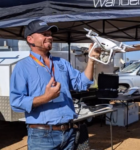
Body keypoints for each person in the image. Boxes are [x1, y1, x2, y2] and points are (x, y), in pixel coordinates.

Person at [10, 20, 101, 150]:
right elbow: (16, 102)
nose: (50, 37)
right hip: (42, 136)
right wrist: (46, 97)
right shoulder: (22, 67)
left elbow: (82, 83)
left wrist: (91, 60)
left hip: (69, 133)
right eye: (44, 34)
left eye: (50, 34)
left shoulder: (62, 63)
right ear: (30, 39)